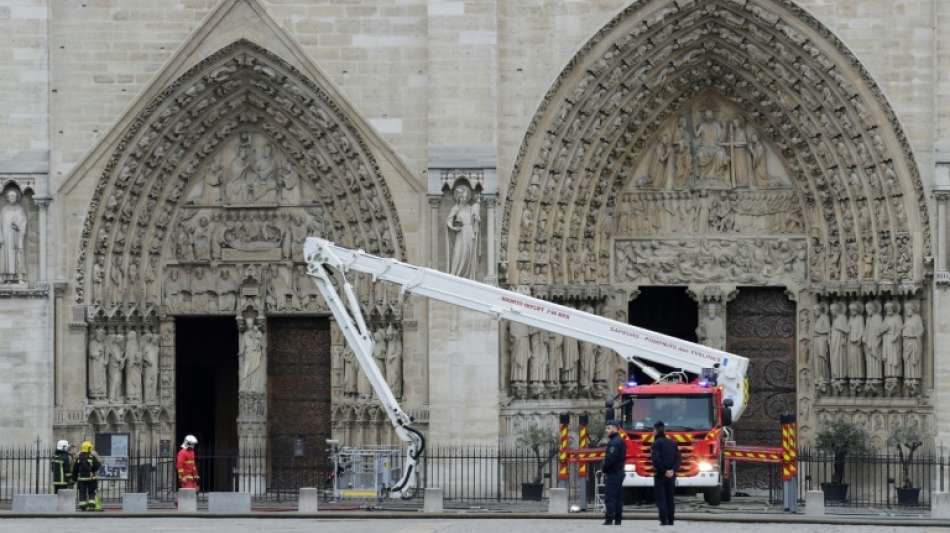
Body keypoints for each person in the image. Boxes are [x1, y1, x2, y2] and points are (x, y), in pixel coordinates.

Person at [650, 421, 681, 526]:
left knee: (661, 498)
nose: (652, 432)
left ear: (657, 430)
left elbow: (656, 460)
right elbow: (678, 459)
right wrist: (673, 470)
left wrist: (664, 471)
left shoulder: (656, 443)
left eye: (653, 430)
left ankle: (664, 520)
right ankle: (671, 520)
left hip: (660, 475)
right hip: (671, 475)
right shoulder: (673, 443)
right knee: (670, 498)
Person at [601, 420, 626, 526]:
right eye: (606, 428)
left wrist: (604, 469)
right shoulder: (619, 440)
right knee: (618, 497)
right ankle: (618, 519)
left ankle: (609, 519)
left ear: (615, 428)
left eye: (609, 428)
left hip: (613, 473)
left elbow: (610, 460)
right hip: (619, 472)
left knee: (610, 497)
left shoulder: (614, 442)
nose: (607, 431)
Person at [72, 441, 101, 511]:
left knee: (82, 492)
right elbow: (97, 466)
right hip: (91, 479)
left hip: (81, 479)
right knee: (91, 492)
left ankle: (83, 506)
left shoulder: (78, 458)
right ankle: (91, 505)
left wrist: (74, 478)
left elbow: (75, 469)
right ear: (89, 448)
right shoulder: (92, 457)